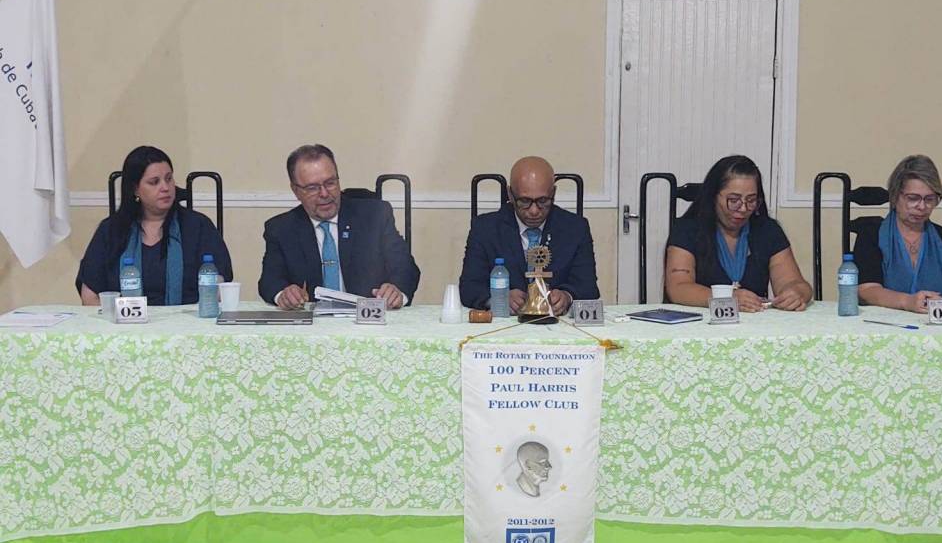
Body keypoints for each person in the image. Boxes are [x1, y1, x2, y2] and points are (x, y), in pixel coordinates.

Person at [258, 144, 420, 309]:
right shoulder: (281, 229)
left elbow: (406, 268)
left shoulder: (375, 216)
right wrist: (283, 294)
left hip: (368, 319)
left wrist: (397, 292)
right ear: (296, 191)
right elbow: (270, 281)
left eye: (330, 183)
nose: (324, 194)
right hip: (313, 321)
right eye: (312, 188)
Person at [76, 146, 232, 305]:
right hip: (123, 320)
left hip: (187, 319)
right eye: (154, 182)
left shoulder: (198, 226)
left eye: (169, 179)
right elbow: (89, 296)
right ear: (135, 189)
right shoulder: (111, 230)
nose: (165, 188)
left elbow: (219, 289)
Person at [664, 155, 812, 312]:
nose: (743, 209)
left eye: (751, 201)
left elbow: (795, 282)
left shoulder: (767, 230)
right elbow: (678, 288)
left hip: (754, 321)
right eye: (734, 200)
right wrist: (726, 298)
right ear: (713, 197)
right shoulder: (687, 229)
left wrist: (796, 293)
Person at [459, 156, 599, 315]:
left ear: (553, 193)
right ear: (510, 195)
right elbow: (469, 288)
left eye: (543, 201)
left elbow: (588, 287)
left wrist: (567, 296)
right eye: (524, 201)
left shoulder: (575, 228)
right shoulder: (485, 229)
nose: (534, 211)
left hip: (556, 321)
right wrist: (497, 298)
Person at [854, 155, 942, 316]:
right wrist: (907, 301)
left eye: (929, 199)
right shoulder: (871, 234)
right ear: (895, 197)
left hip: (936, 324)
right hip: (884, 323)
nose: (922, 206)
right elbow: (867, 290)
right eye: (913, 198)